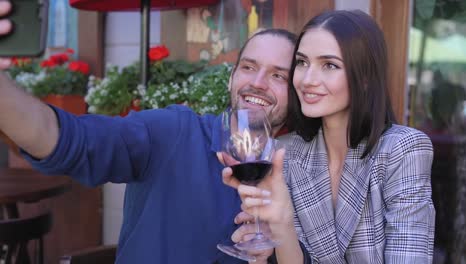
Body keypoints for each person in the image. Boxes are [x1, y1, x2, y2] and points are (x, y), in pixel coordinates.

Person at [0, 0, 298, 261]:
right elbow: (71, 141)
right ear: (232, 77)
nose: (258, 82)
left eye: (277, 75)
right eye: (248, 67)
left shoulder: (301, 174)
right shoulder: (174, 132)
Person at [223, 9, 436, 263]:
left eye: (330, 65)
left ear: (365, 77)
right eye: (302, 62)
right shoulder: (285, 153)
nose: (307, 79)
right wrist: (280, 223)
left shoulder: (403, 149)